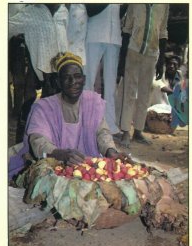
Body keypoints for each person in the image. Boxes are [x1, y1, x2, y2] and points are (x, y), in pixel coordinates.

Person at [9, 52, 123, 180]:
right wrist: (60, 154)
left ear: (84, 79)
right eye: (66, 77)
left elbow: (102, 132)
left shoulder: (92, 103)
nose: (73, 81)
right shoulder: (44, 107)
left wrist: (110, 150)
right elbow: (38, 141)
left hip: (84, 167)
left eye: (77, 76)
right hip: (52, 163)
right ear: (58, 82)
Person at [117, 4, 169, 146]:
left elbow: (163, 32)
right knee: (129, 92)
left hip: (152, 53)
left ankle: (138, 131)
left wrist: (161, 61)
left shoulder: (164, 4)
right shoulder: (136, 2)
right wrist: (122, 61)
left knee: (145, 94)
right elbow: (127, 30)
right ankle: (126, 131)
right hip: (133, 50)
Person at [9, 3, 69, 98]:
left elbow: (66, 32)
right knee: (49, 102)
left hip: (64, 65)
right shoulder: (31, 12)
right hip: (45, 71)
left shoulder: (63, 10)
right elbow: (8, 26)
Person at [84, 4, 127, 136]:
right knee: (88, 81)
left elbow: (118, 14)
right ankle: (87, 123)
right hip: (94, 34)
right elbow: (90, 10)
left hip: (113, 37)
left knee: (111, 85)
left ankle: (110, 126)